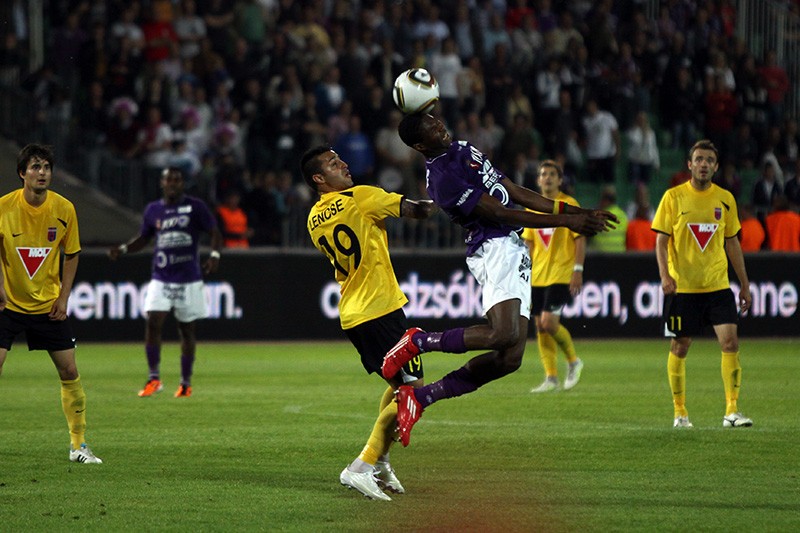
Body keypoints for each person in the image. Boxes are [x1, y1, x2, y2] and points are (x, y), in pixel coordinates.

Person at [384, 112, 617, 447]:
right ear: (421, 145)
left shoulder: (464, 149)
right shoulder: (442, 180)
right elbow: (500, 213)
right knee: (503, 334)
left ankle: (421, 398)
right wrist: (567, 222)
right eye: (432, 128)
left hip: (513, 247)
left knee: (510, 359)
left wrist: (577, 213)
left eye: (438, 121)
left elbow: (513, 191)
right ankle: (419, 341)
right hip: (493, 247)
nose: (441, 126)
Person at [301, 146, 438, 501]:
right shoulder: (360, 197)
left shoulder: (313, 219)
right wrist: (448, 192)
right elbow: (419, 210)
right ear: (319, 178)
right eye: (334, 164)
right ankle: (361, 465)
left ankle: (381, 462)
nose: (344, 165)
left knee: (399, 387)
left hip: (354, 314)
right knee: (414, 391)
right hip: (379, 309)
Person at [0, 143, 102, 463]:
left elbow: (72, 254)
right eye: (35, 167)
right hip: (7, 305)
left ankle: (78, 446)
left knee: (69, 370)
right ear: (22, 173)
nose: (42, 172)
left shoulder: (64, 208)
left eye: (46, 167)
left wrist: (63, 297)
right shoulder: (4, 208)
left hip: (47, 306)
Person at [651, 140, 753, 429]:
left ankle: (732, 410)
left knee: (730, 342)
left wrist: (744, 284)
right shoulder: (673, 197)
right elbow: (661, 241)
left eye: (709, 160)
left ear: (716, 166)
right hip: (683, 288)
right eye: (699, 159)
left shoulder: (726, 199)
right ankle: (680, 413)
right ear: (689, 164)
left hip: (718, 286)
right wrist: (665, 275)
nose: (704, 164)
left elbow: (732, 243)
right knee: (680, 347)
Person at [109, 167, 222, 398]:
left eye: (176, 180)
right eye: (168, 179)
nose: (172, 183)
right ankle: (154, 379)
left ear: (182, 184)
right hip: (162, 277)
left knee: (187, 330)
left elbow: (214, 232)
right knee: (153, 322)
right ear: (162, 183)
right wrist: (123, 249)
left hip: (188, 278)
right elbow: (144, 238)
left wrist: (214, 255)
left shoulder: (195, 207)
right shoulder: (153, 209)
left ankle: (185, 382)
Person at [520, 159, 587, 393]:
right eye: (543, 174)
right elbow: (529, 244)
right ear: (538, 180)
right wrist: (523, 274)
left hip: (561, 273)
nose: (547, 178)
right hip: (537, 275)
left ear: (560, 180)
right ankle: (551, 377)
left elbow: (580, 239)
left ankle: (574, 361)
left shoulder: (569, 205)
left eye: (551, 174)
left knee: (549, 322)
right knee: (540, 326)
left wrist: (578, 270)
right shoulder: (532, 208)